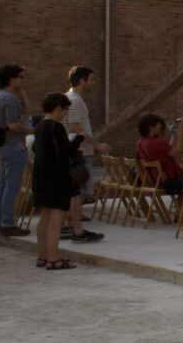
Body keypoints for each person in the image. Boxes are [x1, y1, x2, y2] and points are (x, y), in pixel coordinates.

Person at [32, 92, 80, 270]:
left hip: (40, 175)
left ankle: (42, 256)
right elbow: (65, 152)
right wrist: (77, 142)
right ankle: (53, 258)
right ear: (58, 108)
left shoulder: (39, 126)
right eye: (65, 110)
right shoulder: (56, 127)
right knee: (56, 218)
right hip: (56, 176)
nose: (65, 114)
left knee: (44, 217)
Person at [63, 66, 107, 244]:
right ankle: (74, 224)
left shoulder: (71, 98)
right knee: (80, 189)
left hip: (79, 149)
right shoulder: (75, 100)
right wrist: (96, 144)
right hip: (80, 150)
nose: (93, 83)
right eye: (91, 79)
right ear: (82, 80)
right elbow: (75, 127)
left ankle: (75, 218)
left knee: (80, 189)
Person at [0, 63, 32, 237]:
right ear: (11, 79)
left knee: (3, 183)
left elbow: (26, 113)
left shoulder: (0, 96)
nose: (23, 81)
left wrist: (23, 95)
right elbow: (13, 124)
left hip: (3, 145)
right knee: (12, 186)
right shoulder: (10, 99)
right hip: (13, 145)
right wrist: (30, 130)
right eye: (20, 77)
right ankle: (7, 222)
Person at [135, 112, 183, 195]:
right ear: (151, 127)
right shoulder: (157, 142)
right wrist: (181, 134)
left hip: (155, 178)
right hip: (170, 179)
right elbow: (179, 153)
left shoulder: (140, 143)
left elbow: (168, 151)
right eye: (158, 125)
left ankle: (180, 206)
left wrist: (174, 135)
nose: (160, 127)